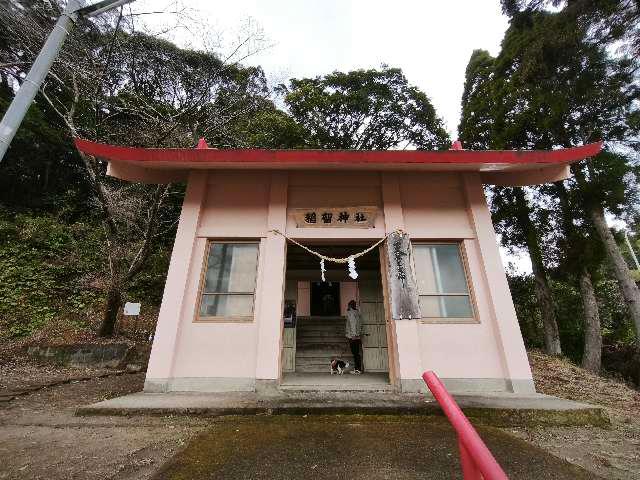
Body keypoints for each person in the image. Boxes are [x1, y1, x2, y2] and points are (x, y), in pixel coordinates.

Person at [345, 300, 363, 374]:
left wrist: (353, 335)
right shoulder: (358, 313)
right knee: (357, 353)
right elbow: (360, 324)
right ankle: (358, 369)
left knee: (355, 353)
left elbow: (352, 324)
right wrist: (358, 334)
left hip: (353, 336)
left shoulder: (351, 313)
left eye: (348, 305)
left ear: (350, 306)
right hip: (358, 336)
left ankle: (357, 369)